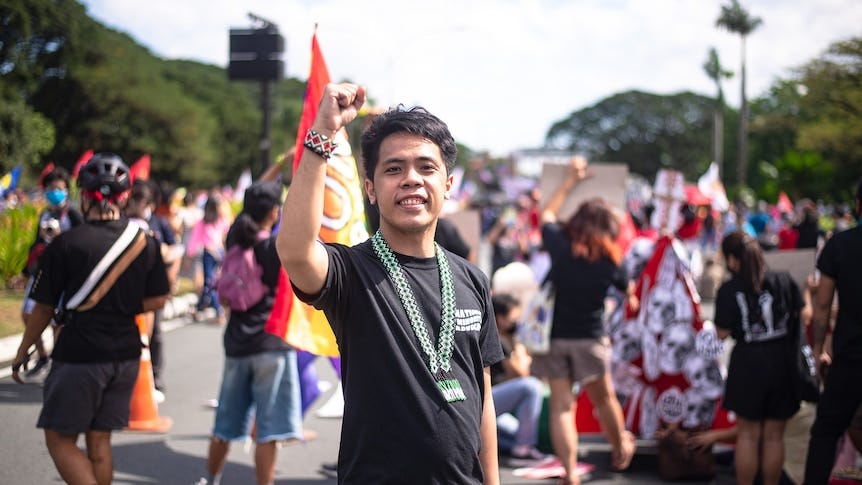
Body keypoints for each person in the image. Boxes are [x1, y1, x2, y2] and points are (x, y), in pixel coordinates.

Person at [276, 83, 503, 484]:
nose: (411, 179)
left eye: (426, 167)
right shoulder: (350, 271)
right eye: (393, 169)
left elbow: (481, 397)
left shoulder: (472, 279)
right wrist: (321, 137)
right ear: (371, 189)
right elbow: (295, 250)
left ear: (448, 185)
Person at [11, 153, 170, 485]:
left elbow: (42, 308)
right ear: (125, 196)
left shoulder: (66, 243)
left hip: (79, 354)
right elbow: (157, 298)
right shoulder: (146, 242)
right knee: (99, 442)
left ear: (84, 195)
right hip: (125, 355)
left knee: (59, 438)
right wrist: (121, 302)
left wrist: (25, 350)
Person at [530, 156, 636, 485]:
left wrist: (569, 182)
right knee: (604, 399)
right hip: (590, 339)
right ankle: (621, 447)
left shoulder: (561, 247)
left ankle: (570, 473)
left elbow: (546, 214)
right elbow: (627, 289)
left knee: (563, 407)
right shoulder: (611, 259)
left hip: (554, 338)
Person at [195, 181, 302, 485]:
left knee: (224, 424)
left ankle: (211, 479)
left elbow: (251, 201)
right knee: (268, 432)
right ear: (274, 211)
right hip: (272, 344)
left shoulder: (235, 239)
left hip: (237, 344)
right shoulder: (274, 246)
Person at [713, 230, 804, 485]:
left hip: (747, 364)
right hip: (782, 361)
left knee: (748, 435)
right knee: (775, 436)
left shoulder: (729, 289)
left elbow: (721, 333)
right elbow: (802, 315)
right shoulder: (783, 279)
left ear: (732, 259)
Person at [804, 178, 862, 485]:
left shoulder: (840, 245)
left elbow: (823, 304)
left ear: (857, 206)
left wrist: (818, 346)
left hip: (850, 357)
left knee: (825, 431)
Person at [20, 166, 84, 379]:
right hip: (42, 271)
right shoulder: (45, 213)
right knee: (27, 314)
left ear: (67, 190)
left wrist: (60, 238)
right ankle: (42, 355)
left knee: (58, 321)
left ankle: (58, 366)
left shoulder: (73, 215)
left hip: (64, 275)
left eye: (58, 188)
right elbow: (37, 243)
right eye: (50, 188)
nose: (54, 192)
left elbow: (80, 242)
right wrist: (26, 268)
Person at [490, 292, 549, 465]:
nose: (517, 323)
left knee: (515, 433)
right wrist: (518, 342)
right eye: (514, 318)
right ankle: (523, 450)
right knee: (531, 386)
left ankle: (516, 448)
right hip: (485, 402)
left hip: (493, 406)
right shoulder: (498, 338)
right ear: (500, 318)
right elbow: (522, 373)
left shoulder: (500, 336)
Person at [187, 193, 229, 324]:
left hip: (211, 254)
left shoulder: (204, 222)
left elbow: (194, 240)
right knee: (210, 283)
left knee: (210, 283)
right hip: (217, 253)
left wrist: (190, 254)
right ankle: (200, 308)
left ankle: (217, 311)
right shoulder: (216, 221)